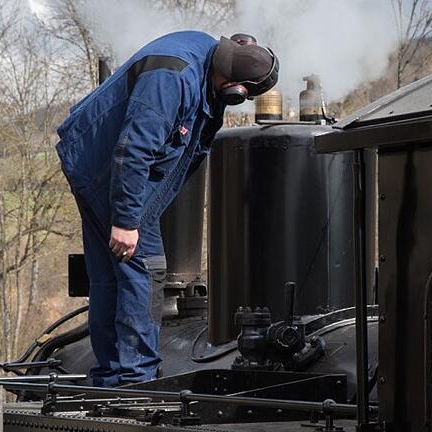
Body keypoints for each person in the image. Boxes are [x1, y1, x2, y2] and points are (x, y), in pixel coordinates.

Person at [55, 31, 279, 387]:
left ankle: (110, 376)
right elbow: (134, 150)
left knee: (109, 275)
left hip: (99, 163)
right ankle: (135, 379)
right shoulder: (171, 80)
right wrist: (127, 221)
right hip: (107, 170)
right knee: (146, 270)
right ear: (236, 88)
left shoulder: (208, 63)